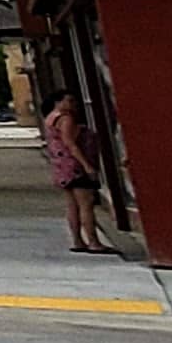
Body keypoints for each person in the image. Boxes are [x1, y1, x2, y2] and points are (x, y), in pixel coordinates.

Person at [41, 94, 120, 254]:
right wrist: (87, 165)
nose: (73, 104)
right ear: (58, 102)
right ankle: (93, 241)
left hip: (61, 166)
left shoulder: (50, 119)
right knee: (86, 204)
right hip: (75, 166)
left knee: (72, 205)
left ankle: (78, 240)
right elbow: (71, 143)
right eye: (69, 100)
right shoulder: (66, 119)